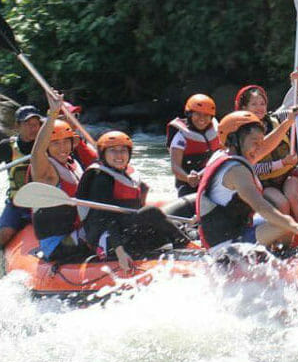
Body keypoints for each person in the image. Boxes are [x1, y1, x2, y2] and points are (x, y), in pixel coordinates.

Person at [196, 110, 298, 250]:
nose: (259, 147)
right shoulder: (237, 171)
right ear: (234, 140)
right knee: (284, 226)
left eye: (261, 141)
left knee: (282, 220)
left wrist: (288, 122)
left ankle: (277, 254)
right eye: (255, 142)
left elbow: (266, 145)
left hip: (236, 229)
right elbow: (260, 206)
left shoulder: (225, 154)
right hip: (226, 243)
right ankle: (283, 258)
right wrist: (295, 226)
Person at [76, 131, 189, 274]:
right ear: (103, 154)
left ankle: (185, 250)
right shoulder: (101, 180)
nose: (119, 155)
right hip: (108, 240)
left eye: (123, 150)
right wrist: (120, 252)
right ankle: (187, 247)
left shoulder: (127, 175)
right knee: (151, 212)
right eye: (113, 151)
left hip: (125, 233)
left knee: (175, 225)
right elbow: (105, 220)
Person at [234, 72, 298, 222]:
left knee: (293, 197)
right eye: (254, 104)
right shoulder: (240, 134)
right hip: (265, 182)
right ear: (244, 107)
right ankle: (287, 239)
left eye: (262, 104)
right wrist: (281, 163)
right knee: (282, 204)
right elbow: (251, 168)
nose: (259, 108)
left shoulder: (277, 117)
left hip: (288, 174)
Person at [28, 92, 91, 261]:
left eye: (66, 142)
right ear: (47, 147)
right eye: (55, 143)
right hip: (58, 244)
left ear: (73, 143)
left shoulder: (73, 165)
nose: (62, 148)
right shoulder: (46, 172)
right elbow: (36, 153)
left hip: (76, 232)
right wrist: (53, 114)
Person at [0, 105, 43, 247]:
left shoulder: (47, 145)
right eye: (28, 124)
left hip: (43, 202)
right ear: (17, 126)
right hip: (17, 203)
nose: (33, 128)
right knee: (3, 234)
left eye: (36, 124)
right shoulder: (7, 147)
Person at [166, 94, 221, 197]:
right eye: (198, 114)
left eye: (206, 115)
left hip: (212, 179)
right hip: (188, 183)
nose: (202, 119)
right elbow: (175, 167)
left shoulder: (217, 132)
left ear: (211, 117)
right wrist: (188, 178)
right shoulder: (180, 137)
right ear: (189, 114)